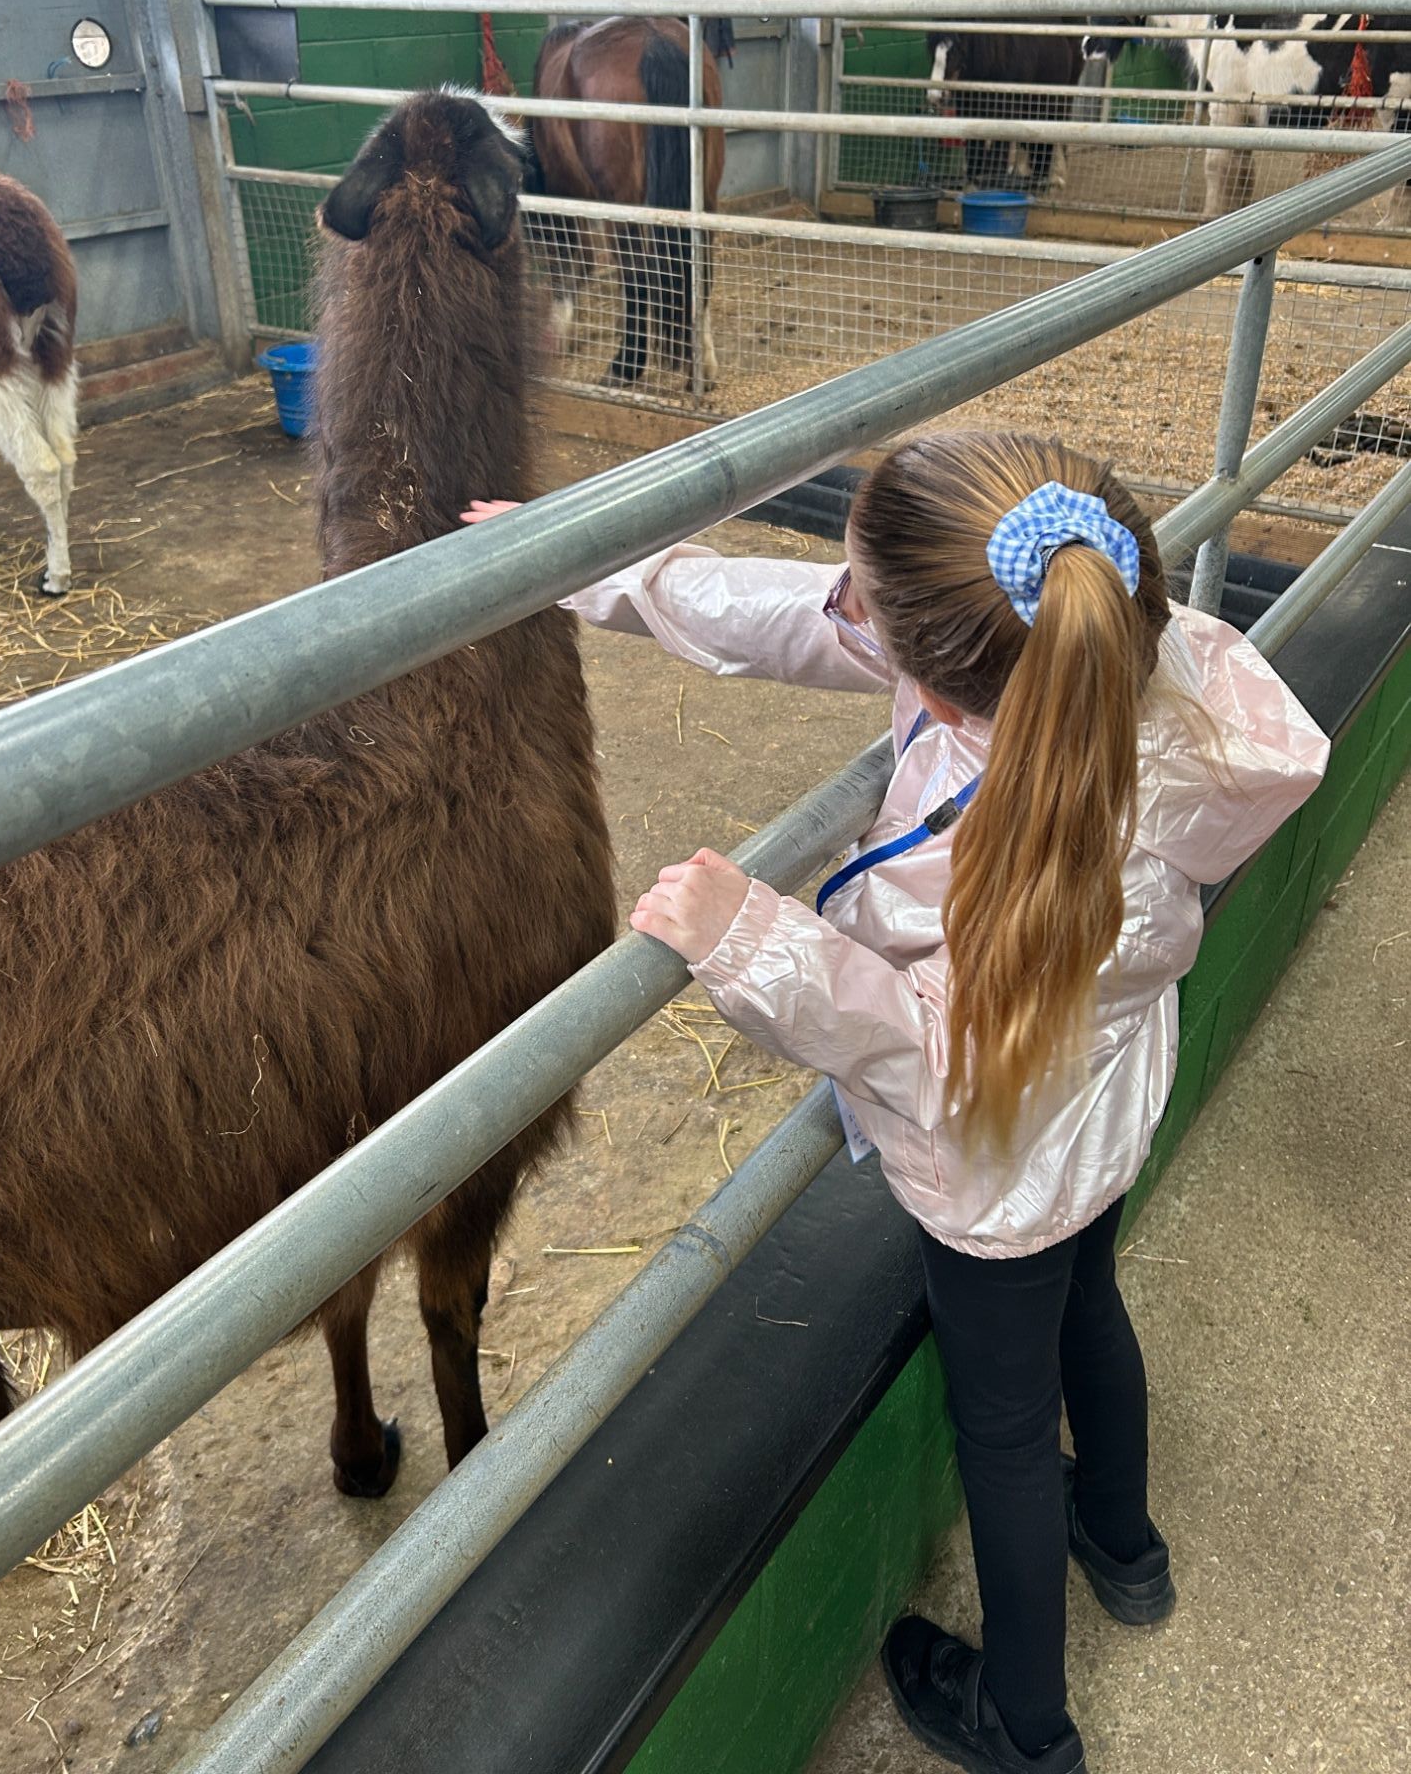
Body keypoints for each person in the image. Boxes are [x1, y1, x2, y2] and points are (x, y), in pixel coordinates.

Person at [461, 429, 1328, 1774]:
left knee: (1001, 1430)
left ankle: (1025, 1727)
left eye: (860, 594)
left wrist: (748, 932)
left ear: (941, 675)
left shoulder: (1018, 848)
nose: (838, 604)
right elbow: (782, 614)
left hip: (997, 1179)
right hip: (1100, 1121)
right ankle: (1129, 1543)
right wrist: (597, 568)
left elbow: (944, 1054)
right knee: (1094, 1306)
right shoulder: (1103, 663)